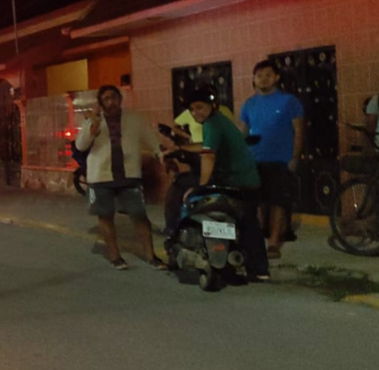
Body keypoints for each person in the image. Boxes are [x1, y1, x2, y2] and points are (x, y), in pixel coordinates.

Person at [74, 85, 165, 270]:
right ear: (101, 102)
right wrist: (93, 126)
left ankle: (151, 255)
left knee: (139, 216)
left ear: (120, 99)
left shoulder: (134, 118)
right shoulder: (93, 121)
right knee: (105, 217)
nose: (111, 102)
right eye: (106, 98)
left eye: (113, 97)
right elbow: (81, 145)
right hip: (100, 177)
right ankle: (115, 256)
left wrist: (160, 154)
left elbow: (151, 138)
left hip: (130, 176)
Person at [183, 90, 269, 280]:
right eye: (192, 109)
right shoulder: (218, 121)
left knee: (241, 223)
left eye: (200, 107)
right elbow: (207, 145)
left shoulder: (213, 123)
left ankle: (256, 268)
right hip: (244, 180)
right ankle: (249, 267)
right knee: (243, 224)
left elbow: (209, 155)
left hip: (238, 183)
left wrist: (201, 186)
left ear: (212, 106)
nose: (196, 112)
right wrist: (180, 147)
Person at [238, 60, 304, 260]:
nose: (263, 79)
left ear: (276, 78)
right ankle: (259, 238)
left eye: (268, 75)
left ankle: (273, 243)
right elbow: (243, 133)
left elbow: (299, 131)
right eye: (259, 75)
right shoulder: (249, 104)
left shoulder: (289, 101)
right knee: (258, 203)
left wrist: (294, 157)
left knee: (277, 202)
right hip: (254, 161)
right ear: (253, 79)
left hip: (280, 161)